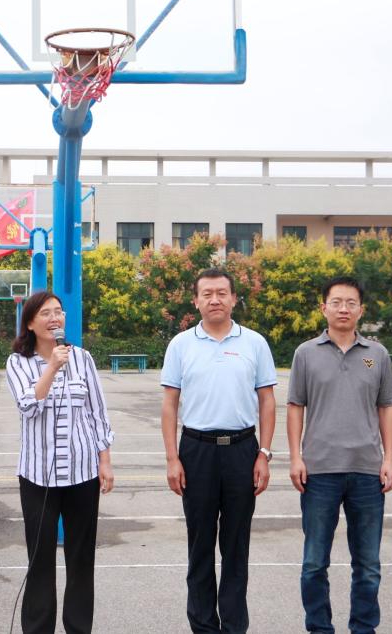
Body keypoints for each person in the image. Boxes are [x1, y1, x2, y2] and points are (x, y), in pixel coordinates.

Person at [160, 268, 277, 634]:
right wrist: (172, 458)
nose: (215, 300)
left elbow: (267, 401)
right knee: (200, 546)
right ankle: (203, 626)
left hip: (243, 450)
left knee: (236, 546)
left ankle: (234, 626)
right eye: (207, 294)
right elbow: (169, 404)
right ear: (196, 301)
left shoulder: (254, 343)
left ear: (233, 299)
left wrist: (264, 453)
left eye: (222, 293)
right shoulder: (181, 344)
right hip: (196, 452)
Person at [286, 276, 392, 634]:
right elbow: (295, 406)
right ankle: (319, 627)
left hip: (367, 471)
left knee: (367, 565)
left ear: (360, 310)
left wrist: (388, 459)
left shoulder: (377, 354)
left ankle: (363, 628)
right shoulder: (306, 353)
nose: (343, 309)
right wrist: (295, 457)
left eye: (351, 303)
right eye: (336, 302)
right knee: (314, 563)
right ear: (324, 308)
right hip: (319, 471)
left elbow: (386, 408)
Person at [5, 291, 115, 634]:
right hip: (38, 477)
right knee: (40, 559)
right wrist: (52, 367)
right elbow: (28, 405)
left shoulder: (82, 358)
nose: (55, 318)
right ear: (30, 323)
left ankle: (78, 628)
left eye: (59, 312)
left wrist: (105, 461)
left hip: (82, 474)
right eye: (46, 313)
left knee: (81, 559)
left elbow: (97, 413)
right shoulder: (17, 363)